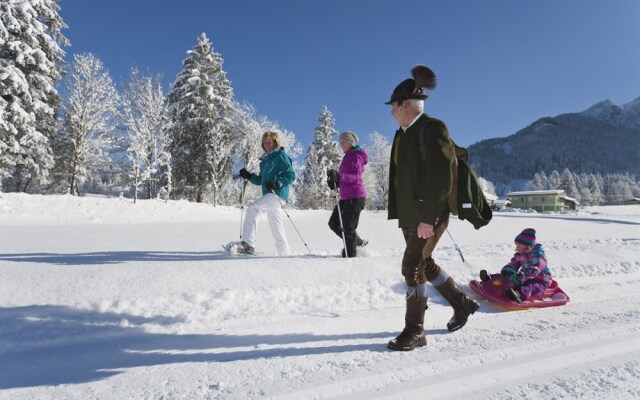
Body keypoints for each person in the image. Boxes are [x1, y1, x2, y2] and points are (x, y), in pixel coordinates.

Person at [385, 65, 480, 351]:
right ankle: (461, 303)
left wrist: (429, 217)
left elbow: (442, 177)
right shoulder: (402, 135)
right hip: (410, 214)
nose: (391, 112)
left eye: (394, 106)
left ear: (406, 105)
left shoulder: (433, 128)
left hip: (430, 213)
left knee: (411, 266)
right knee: (424, 264)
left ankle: (415, 331)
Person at [238, 131, 295, 256]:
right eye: (264, 143)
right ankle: (285, 254)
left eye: (269, 142)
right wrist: (248, 176)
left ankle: (249, 245)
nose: (267, 145)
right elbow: (261, 180)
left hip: (277, 194)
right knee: (276, 227)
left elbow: (290, 175)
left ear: (275, 142)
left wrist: (277, 183)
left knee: (253, 209)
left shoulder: (281, 156)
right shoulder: (264, 161)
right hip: (269, 195)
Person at [480, 228, 553, 303]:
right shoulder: (520, 254)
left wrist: (524, 275)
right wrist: (507, 269)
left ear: (526, 246)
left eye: (518, 245)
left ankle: (518, 296)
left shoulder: (539, 255)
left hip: (541, 280)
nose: (516, 247)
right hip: (524, 277)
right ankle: (489, 280)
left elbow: (536, 268)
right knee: (505, 276)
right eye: (516, 245)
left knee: (529, 287)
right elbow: (514, 263)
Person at [327, 131, 368, 258]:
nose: (341, 144)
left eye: (343, 142)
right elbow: (345, 179)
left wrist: (340, 176)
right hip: (346, 197)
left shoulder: (356, 155)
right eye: (340, 142)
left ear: (350, 142)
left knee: (348, 229)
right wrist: (335, 181)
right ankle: (358, 242)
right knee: (334, 223)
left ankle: (350, 258)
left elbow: (356, 176)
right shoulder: (347, 156)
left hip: (355, 197)